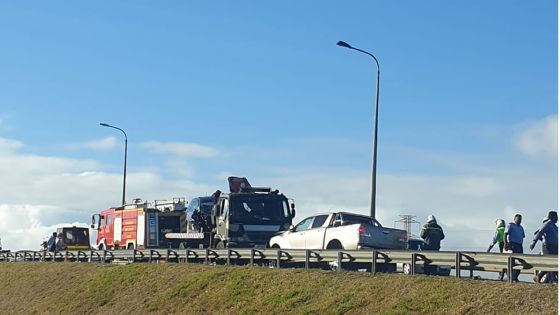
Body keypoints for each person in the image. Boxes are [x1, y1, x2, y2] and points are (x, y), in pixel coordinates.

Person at [529, 211, 558, 283]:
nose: (557, 218)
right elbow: (540, 233)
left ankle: (538, 276)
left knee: (555, 263)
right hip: (547, 246)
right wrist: (533, 243)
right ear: (552, 217)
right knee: (550, 262)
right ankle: (551, 280)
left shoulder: (555, 227)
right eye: (556, 216)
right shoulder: (548, 224)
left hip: (555, 247)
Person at [504, 214, 525, 282]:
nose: (519, 220)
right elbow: (505, 234)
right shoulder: (511, 225)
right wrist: (506, 243)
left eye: (520, 219)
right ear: (514, 219)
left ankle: (515, 277)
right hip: (512, 244)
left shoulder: (521, 228)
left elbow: (522, 236)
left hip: (519, 245)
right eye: (518, 219)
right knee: (511, 262)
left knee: (520, 261)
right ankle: (510, 277)